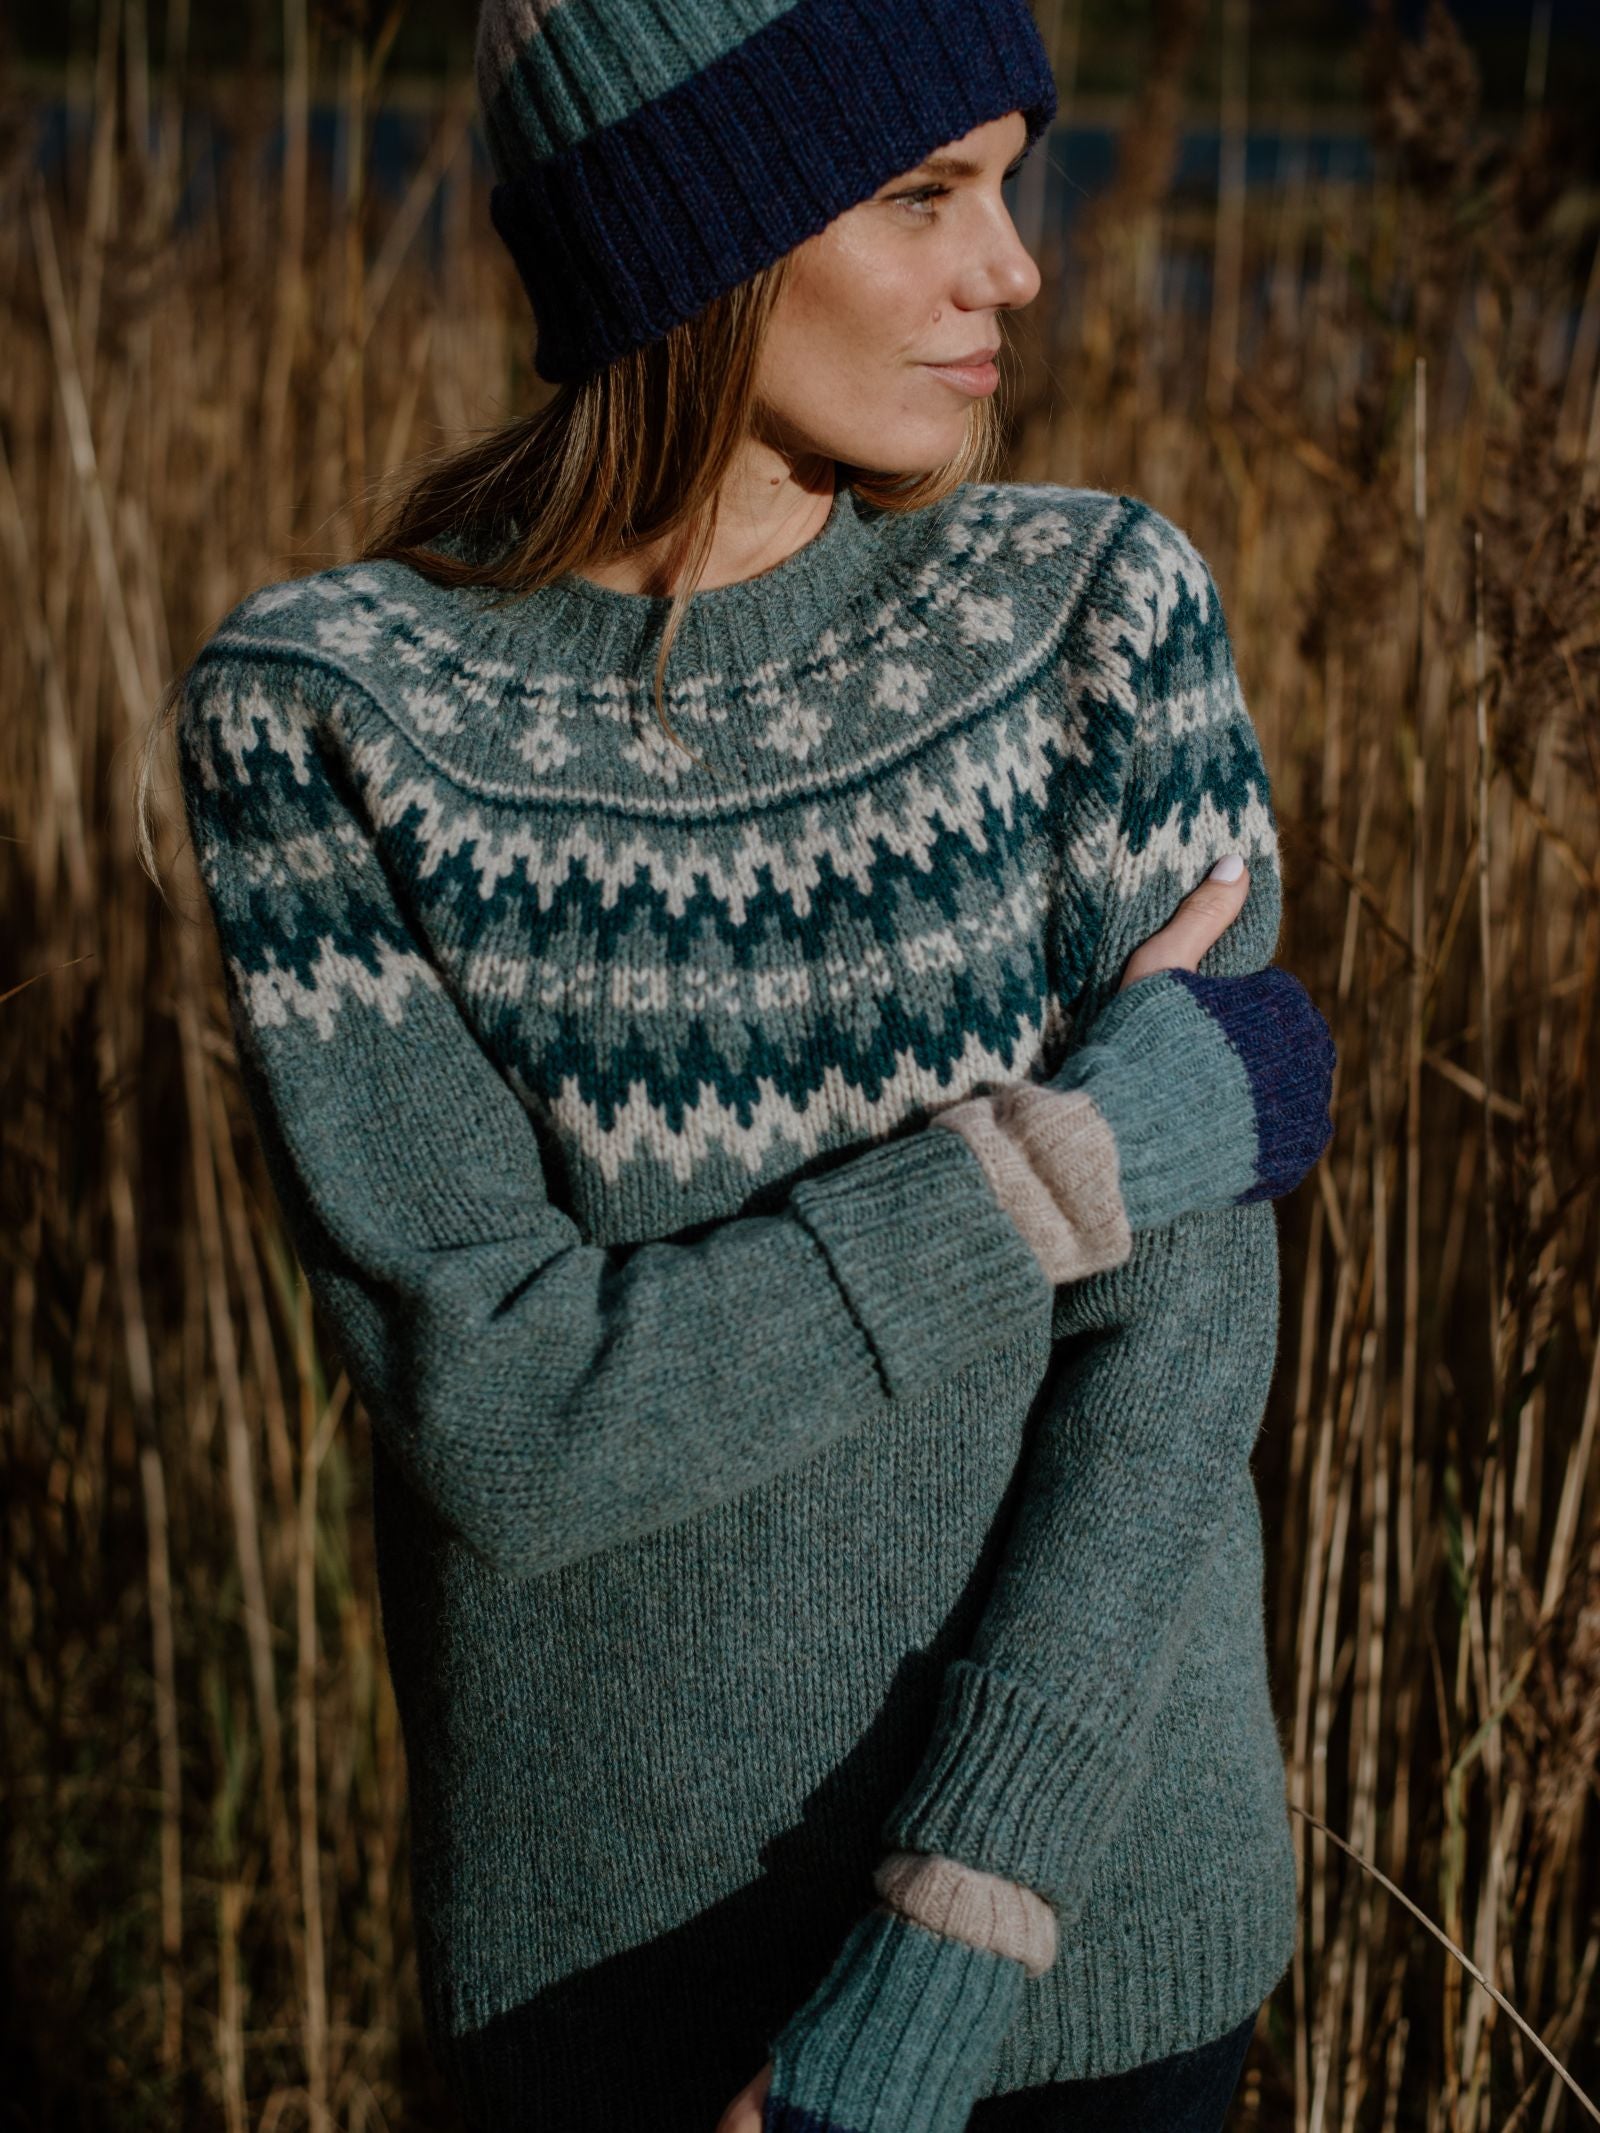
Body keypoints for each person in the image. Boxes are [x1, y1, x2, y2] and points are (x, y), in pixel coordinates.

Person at [137, 2, 1337, 2127]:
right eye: (918, 195)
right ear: (692, 234)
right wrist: (1054, 1161)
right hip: (619, 1971)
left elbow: (1167, 1381)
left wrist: (941, 1952)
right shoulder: (331, 717)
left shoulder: (1095, 617)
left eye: (1008, 178)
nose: (1016, 267)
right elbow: (507, 1420)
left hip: (1086, 1952)